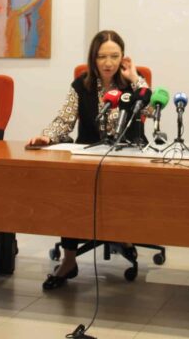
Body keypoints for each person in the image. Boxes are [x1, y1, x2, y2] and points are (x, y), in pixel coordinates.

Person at [27, 30, 148, 290]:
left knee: (123, 195)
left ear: (123, 57)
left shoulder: (134, 84)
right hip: (89, 156)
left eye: (114, 56)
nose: (108, 63)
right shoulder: (81, 85)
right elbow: (64, 120)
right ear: (93, 58)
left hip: (127, 158)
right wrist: (46, 137)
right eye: (102, 56)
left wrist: (135, 78)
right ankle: (69, 260)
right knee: (69, 196)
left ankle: (123, 234)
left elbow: (149, 108)